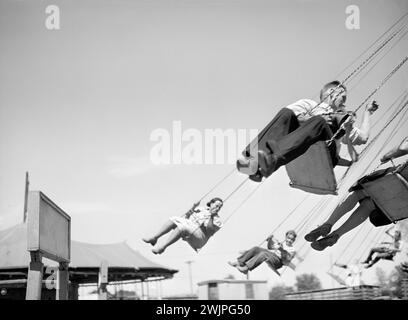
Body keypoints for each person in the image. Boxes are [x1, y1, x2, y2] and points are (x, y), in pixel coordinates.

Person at [237, 81, 378, 181]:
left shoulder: (343, 120)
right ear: (334, 92)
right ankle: (252, 161)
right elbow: (290, 119)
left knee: (322, 122)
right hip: (297, 142)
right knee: (287, 113)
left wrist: (367, 113)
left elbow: (363, 138)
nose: (344, 102)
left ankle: (271, 160)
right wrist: (312, 118)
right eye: (343, 97)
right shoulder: (308, 104)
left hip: (325, 153)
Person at [305, 136, 408, 251]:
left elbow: (403, 148)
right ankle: (336, 235)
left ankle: (328, 224)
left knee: (359, 192)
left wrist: (387, 156)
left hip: (401, 178)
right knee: (369, 205)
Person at [142, 198, 223, 254]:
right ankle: (154, 238)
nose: (218, 208)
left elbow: (209, 230)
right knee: (174, 219)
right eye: (217, 205)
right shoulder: (201, 209)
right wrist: (194, 206)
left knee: (183, 227)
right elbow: (186, 217)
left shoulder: (217, 220)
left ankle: (162, 247)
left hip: (200, 238)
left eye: (220, 206)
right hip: (190, 229)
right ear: (211, 204)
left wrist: (212, 216)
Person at [227, 230, 303, 274]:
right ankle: (239, 262)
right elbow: (270, 247)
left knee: (264, 254)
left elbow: (287, 259)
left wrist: (281, 249)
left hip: (278, 262)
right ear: (286, 237)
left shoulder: (292, 249)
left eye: (291, 239)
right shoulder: (281, 243)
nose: (289, 240)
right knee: (256, 248)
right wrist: (269, 240)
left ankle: (246, 268)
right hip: (272, 256)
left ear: (294, 240)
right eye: (288, 238)